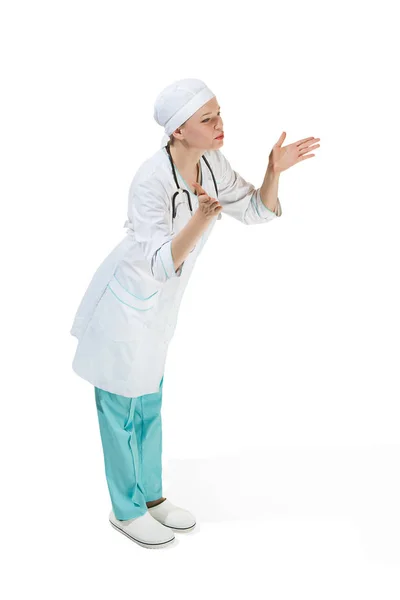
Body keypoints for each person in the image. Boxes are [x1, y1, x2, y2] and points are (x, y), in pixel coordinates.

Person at [70, 77, 320, 549]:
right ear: (179, 130)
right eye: (208, 119)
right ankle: (125, 510)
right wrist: (202, 219)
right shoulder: (150, 179)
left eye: (219, 114)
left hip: (159, 310)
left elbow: (254, 211)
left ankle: (152, 498)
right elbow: (159, 262)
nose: (220, 125)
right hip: (125, 305)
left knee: (149, 403)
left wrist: (273, 171)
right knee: (119, 407)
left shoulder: (211, 162)